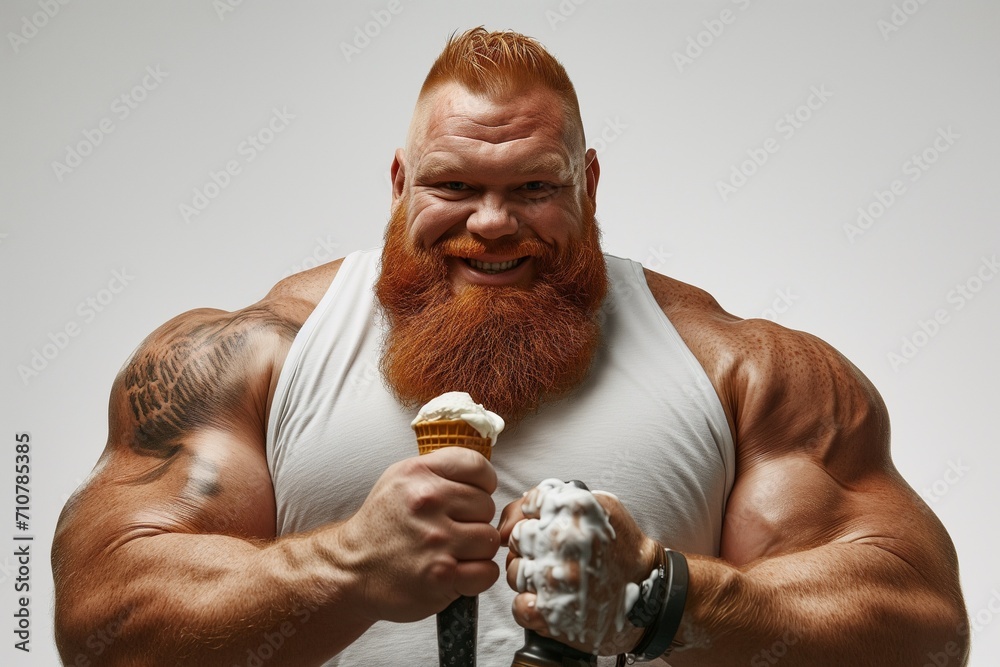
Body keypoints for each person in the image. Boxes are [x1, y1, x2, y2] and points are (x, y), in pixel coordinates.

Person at [52, 28, 969, 666]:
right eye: (454, 184)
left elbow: (924, 630)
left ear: (589, 182)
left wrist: (667, 598)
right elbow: (101, 623)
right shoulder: (256, 356)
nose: (491, 225)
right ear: (402, 181)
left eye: (533, 185)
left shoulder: (740, 370)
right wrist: (346, 568)